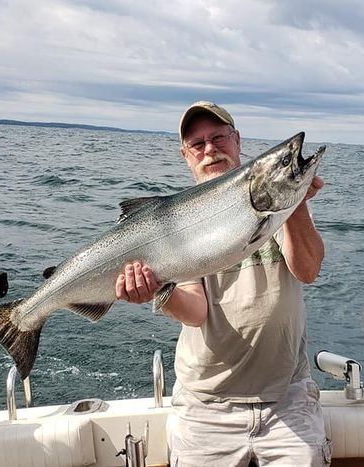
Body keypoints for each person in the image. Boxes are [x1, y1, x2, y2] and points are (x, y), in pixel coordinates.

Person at [115, 102, 331, 466]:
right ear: (186, 155)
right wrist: (157, 292)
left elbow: (307, 270)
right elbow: (197, 312)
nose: (209, 149)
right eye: (197, 144)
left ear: (237, 141)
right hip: (206, 404)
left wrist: (293, 203)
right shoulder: (179, 223)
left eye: (218, 137)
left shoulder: (273, 202)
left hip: (287, 399)